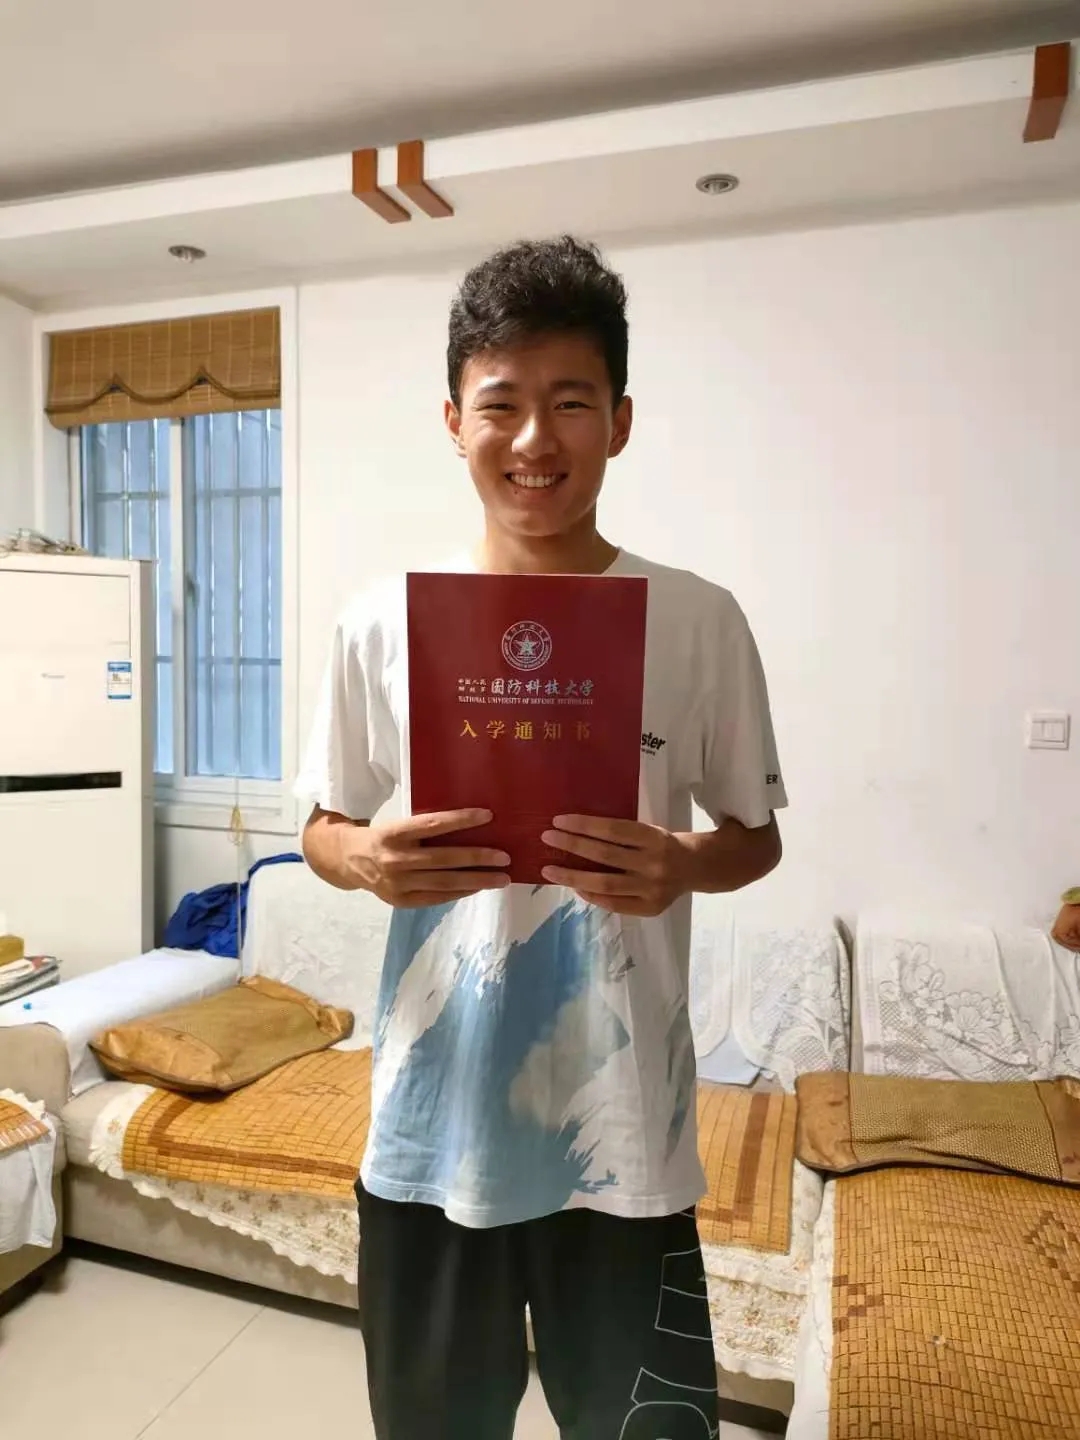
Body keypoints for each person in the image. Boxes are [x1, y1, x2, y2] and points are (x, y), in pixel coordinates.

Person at [297, 235, 787, 1440]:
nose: (533, 438)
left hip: (624, 1135)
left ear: (619, 422)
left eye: (570, 402)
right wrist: (362, 858)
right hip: (432, 1126)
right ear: (452, 421)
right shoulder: (380, 621)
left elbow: (754, 837)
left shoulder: (697, 619)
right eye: (500, 403)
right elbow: (319, 825)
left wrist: (683, 864)